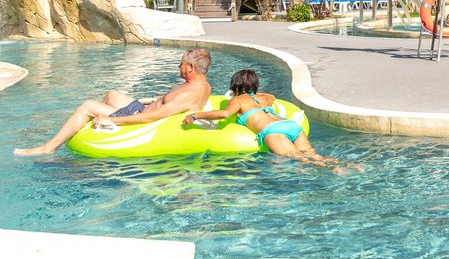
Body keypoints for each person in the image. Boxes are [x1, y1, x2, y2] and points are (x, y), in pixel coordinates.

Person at [14, 48, 213, 156]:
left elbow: (154, 116)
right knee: (112, 95)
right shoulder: (200, 85)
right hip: (141, 109)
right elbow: (164, 103)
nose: (179, 67)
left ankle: (48, 147)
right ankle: (95, 122)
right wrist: (149, 99)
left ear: (190, 67)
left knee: (87, 106)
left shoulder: (191, 93)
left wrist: (114, 121)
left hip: (139, 118)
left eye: (181, 64)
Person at [183, 69, 354, 171]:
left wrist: (196, 115)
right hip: (291, 126)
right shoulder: (264, 99)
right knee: (313, 155)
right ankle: (347, 165)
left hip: (273, 131)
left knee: (299, 159)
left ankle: (333, 169)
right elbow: (272, 96)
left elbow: (224, 114)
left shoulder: (238, 100)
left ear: (234, 85)